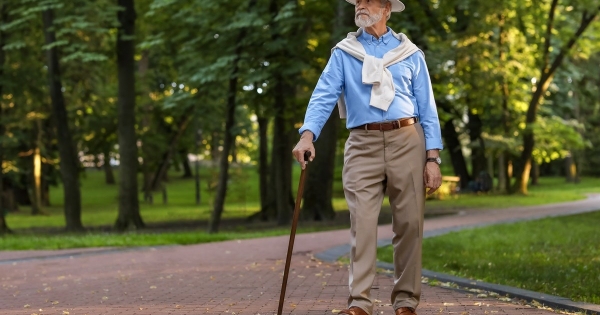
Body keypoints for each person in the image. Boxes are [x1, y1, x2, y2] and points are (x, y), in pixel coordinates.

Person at [291, 0, 443, 314]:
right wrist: (307, 136)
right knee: (362, 224)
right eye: (357, 1)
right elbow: (324, 95)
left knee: (410, 225)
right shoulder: (344, 52)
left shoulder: (410, 54)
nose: (360, 5)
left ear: (387, 8)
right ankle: (359, 303)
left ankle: (405, 302)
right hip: (362, 143)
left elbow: (428, 109)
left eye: (368, 0)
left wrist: (432, 158)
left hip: (408, 140)